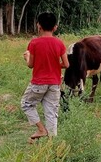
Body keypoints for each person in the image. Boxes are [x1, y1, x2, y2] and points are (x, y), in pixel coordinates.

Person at [21, 12, 69, 143]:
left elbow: (31, 65)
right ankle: (52, 145)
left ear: (38, 26)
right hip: (54, 83)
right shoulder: (59, 43)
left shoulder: (34, 43)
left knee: (26, 104)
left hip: (38, 83)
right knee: (52, 112)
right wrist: (55, 65)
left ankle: (41, 129)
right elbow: (66, 64)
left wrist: (26, 57)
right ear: (55, 27)